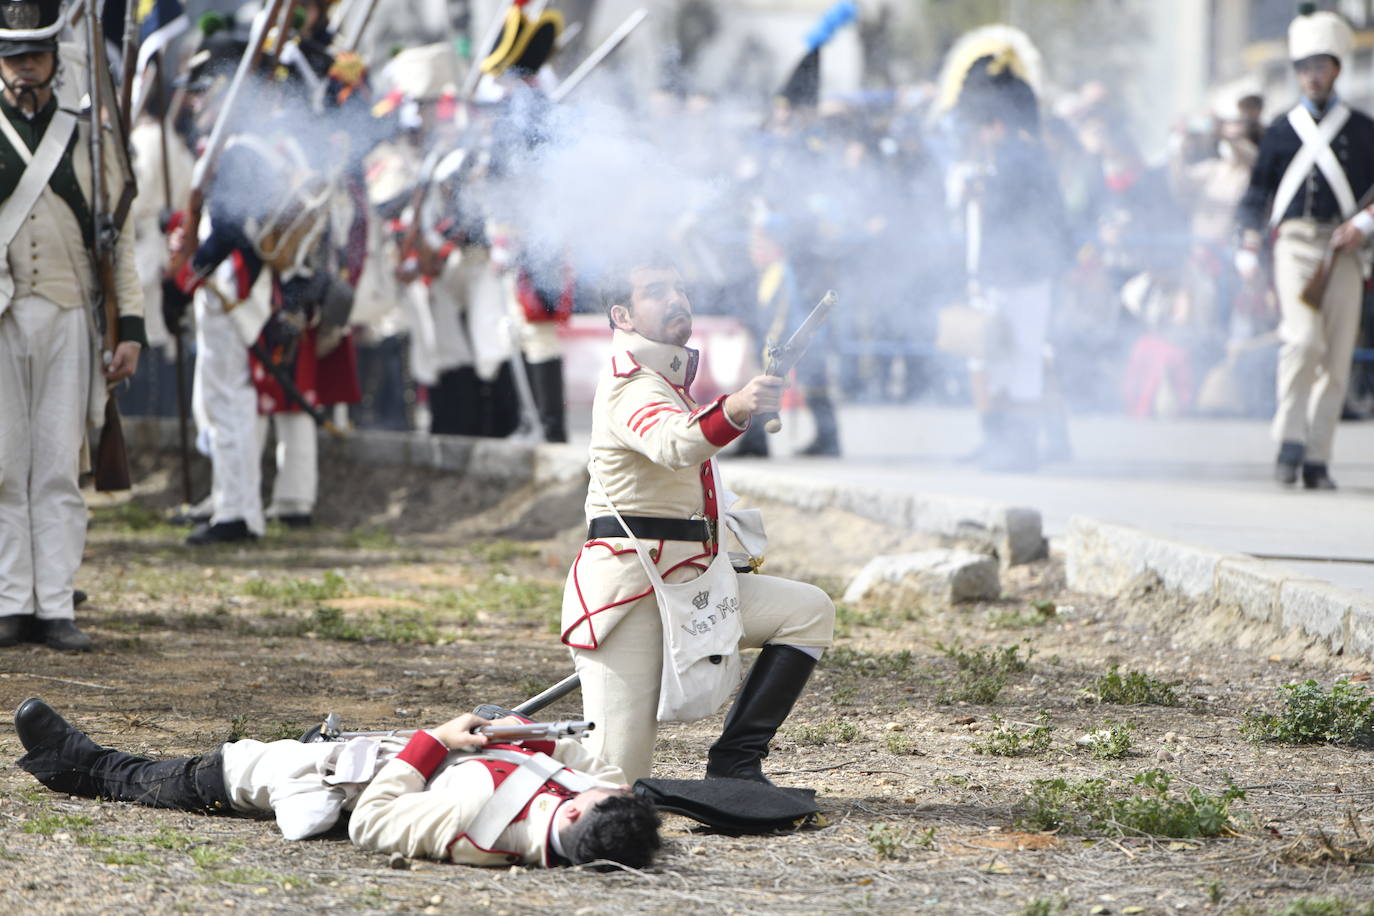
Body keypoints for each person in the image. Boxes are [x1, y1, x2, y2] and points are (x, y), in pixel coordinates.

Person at [560, 254, 835, 784]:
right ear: (623, 317)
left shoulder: (664, 380)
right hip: (629, 597)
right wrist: (735, 408)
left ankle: (735, 765)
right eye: (657, 291)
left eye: (679, 288)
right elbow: (675, 442)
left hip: (690, 584)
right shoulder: (630, 384)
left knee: (807, 610)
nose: (676, 300)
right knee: (615, 783)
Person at [14, 697, 661, 869]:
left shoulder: (477, 820)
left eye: (601, 800)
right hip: (358, 752)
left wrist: (434, 740)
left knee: (224, 772)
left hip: (328, 782)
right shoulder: (583, 813)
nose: (604, 789)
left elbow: (374, 823)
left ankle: (88, 768)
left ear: (575, 821)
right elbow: (596, 771)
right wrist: (530, 734)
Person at [0, 1, 146, 651]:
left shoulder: (88, 134)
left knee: (58, 466)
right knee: (4, 464)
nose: (23, 65)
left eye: (33, 53)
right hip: (3, 315)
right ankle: (11, 599)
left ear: (56, 58)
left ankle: (55, 603)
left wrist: (130, 328)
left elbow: (120, 240)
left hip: (68, 315)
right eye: (11, 54)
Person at [1236, 7, 1374, 489]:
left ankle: (1317, 458)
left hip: (1345, 249)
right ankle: (1288, 440)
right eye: (1304, 68)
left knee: (1336, 358)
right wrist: (1249, 245)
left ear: (1336, 69)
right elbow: (1256, 195)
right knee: (1302, 340)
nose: (1312, 76)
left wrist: (1362, 223)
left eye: (1321, 66)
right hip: (1294, 245)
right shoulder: (1280, 130)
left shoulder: (1362, 129)